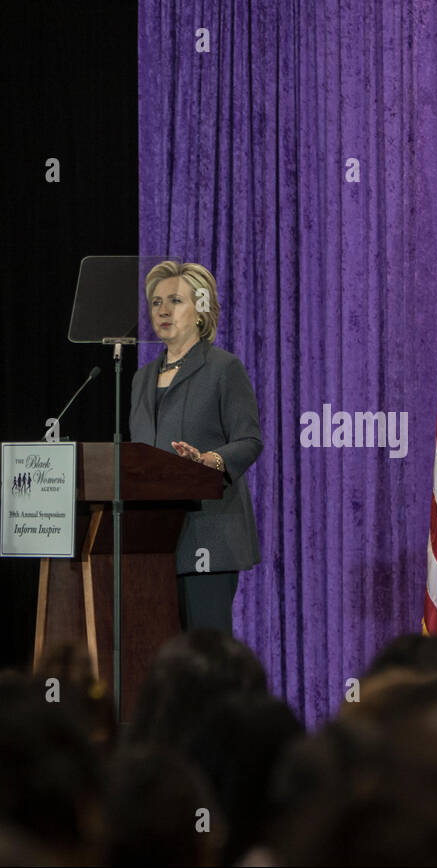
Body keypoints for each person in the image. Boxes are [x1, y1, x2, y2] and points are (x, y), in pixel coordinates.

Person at [128, 260, 263, 633]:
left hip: (208, 536)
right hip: (153, 541)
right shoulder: (140, 379)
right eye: (156, 302)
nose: (164, 311)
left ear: (200, 311)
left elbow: (250, 440)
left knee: (205, 662)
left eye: (175, 300)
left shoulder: (223, 369)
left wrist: (210, 460)